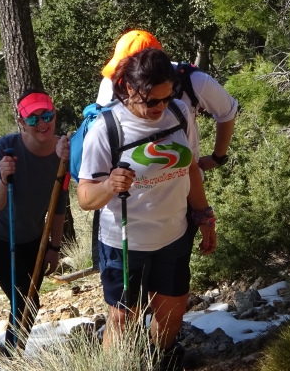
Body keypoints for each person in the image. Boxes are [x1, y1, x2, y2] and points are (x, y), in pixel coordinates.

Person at [74, 48, 216, 369]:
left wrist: (204, 216)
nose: (160, 107)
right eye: (151, 101)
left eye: (166, 97)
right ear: (128, 88)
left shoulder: (180, 112)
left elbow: (191, 169)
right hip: (125, 243)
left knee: (172, 313)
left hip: (174, 234)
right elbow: (84, 198)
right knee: (123, 319)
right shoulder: (107, 129)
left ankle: (159, 361)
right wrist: (109, 185)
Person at [0, 90, 69, 350]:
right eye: (33, 118)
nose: (42, 123)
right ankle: (11, 359)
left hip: (32, 238)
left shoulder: (63, 152)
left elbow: (59, 205)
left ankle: (11, 356)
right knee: (25, 302)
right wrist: (5, 180)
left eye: (46, 115)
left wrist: (54, 247)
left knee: (29, 303)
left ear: (54, 115)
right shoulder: (6, 147)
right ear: (21, 122)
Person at [96, 30, 238, 171]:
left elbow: (227, 110)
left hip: (185, 176)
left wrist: (217, 157)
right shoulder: (111, 84)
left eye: (167, 99)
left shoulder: (193, 81)